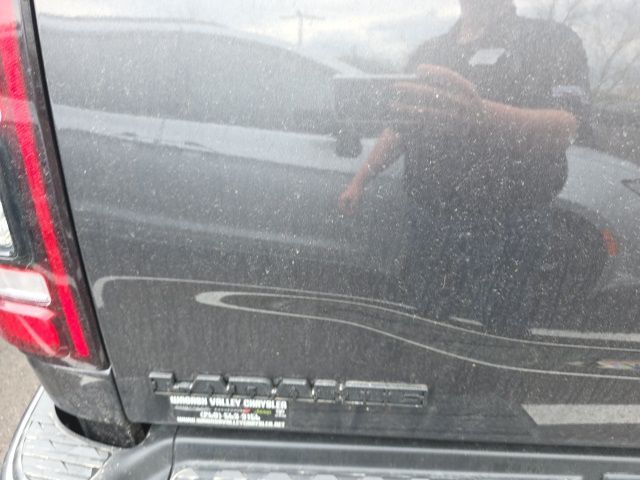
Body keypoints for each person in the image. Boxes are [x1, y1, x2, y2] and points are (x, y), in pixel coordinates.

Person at [338, 0, 591, 333]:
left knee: (497, 335)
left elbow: (568, 126)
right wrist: (359, 180)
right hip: (428, 219)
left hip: (509, 224)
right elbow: (401, 127)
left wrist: (481, 115)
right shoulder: (431, 52)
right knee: (425, 328)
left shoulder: (551, 40)